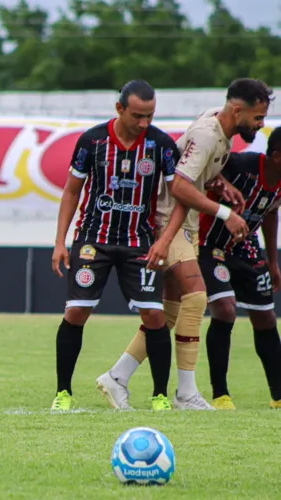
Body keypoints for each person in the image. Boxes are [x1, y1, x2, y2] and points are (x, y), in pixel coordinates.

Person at [99, 78, 272, 410]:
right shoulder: (209, 135)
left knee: (172, 311)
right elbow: (179, 186)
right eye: (257, 117)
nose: (260, 124)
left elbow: (186, 164)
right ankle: (186, 394)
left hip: (185, 225)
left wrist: (218, 182)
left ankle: (117, 377)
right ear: (238, 110)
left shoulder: (214, 123)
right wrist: (226, 214)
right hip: (167, 220)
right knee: (197, 298)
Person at [51, 80, 186, 412]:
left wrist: (164, 241)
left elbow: (182, 196)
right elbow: (72, 191)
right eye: (138, 115)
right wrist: (60, 242)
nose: (144, 123)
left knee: (154, 315)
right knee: (76, 312)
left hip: (140, 243)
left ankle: (159, 396)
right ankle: (63, 393)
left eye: (150, 116)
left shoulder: (162, 145)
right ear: (120, 109)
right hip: (93, 240)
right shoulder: (92, 141)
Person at [200, 128, 281, 410]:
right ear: (277, 157)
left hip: (246, 248)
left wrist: (273, 261)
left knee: (267, 319)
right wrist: (221, 182)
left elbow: (270, 214)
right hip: (210, 244)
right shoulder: (243, 164)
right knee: (225, 308)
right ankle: (220, 394)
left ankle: (278, 396)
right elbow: (208, 169)